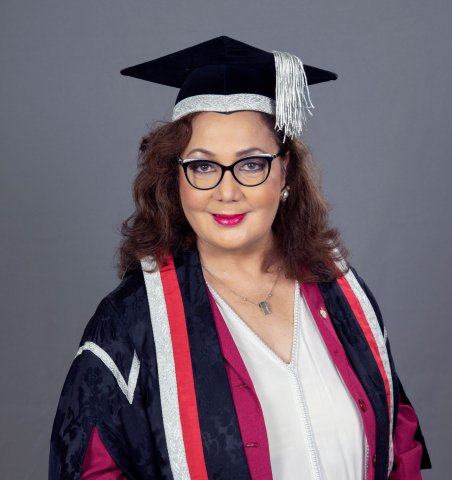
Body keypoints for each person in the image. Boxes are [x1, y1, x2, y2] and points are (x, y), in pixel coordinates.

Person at [48, 36, 431, 480]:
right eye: (203, 166)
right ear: (175, 178)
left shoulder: (341, 290)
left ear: (285, 171)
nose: (226, 192)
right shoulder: (131, 323)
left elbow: (397, 445)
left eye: (251, 164)